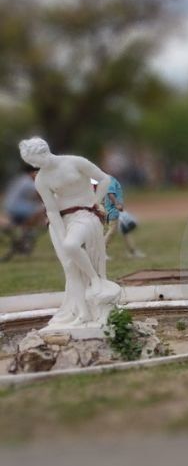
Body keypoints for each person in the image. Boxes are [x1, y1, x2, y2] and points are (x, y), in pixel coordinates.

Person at [19, 137, 121, 327]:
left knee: (71, 245)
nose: (34, 165)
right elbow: (51, 210)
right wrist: (61, 233)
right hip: (60, 221)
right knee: (70, 267)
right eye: (30, 163)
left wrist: (96, 201)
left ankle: (95, 279)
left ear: (43, 151)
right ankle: (82, 312)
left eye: (34, 160)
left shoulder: (75, 162)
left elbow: (105, 179)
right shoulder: (41, 179)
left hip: (84, 214)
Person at [99, 176, 145, 258]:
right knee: (111, 231)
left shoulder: (104, 181)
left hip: (110, 210)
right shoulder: (110, 181)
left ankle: (132, 251)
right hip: (111, 211)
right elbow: (110, 194)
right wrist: (117, 204)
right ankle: (100, 252)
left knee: (120, 230)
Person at [4, 166, 45, 231]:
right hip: (15, 207)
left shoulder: (22, 178)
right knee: (42, 208)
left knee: (38, 206)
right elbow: (39, 195)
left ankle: (17, 226)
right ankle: (26, 228)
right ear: (32, 172)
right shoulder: (28, 181)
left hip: (10, 205)